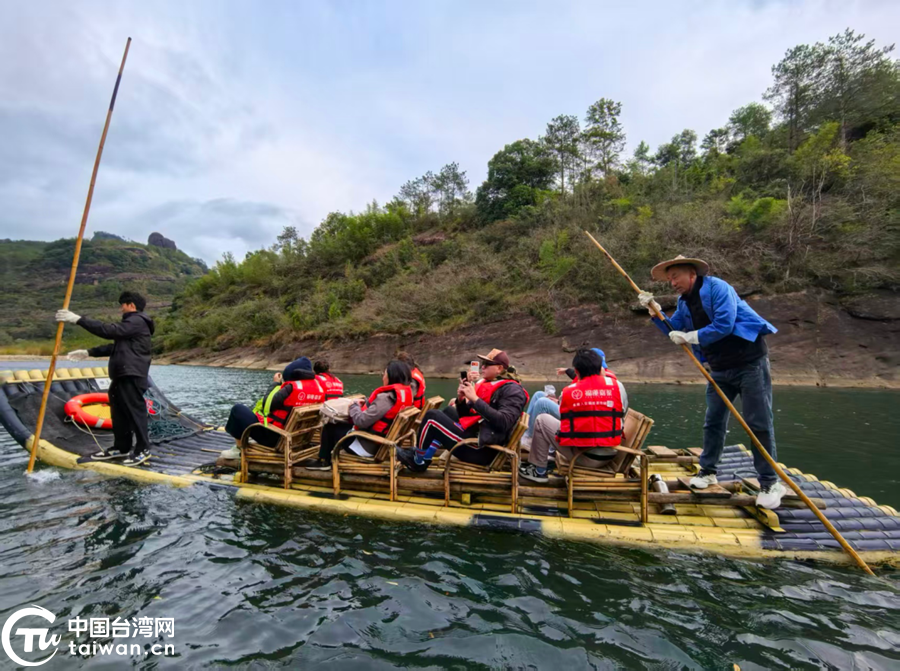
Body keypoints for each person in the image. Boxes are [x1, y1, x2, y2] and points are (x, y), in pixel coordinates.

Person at [638, 254, 784, 509]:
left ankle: (770, 483)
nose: (672, 283)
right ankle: (707, 472)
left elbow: (725, 324)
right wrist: (655, 312)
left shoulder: (719, 288)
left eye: (675, 277)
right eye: (669, 279)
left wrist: (690, 336)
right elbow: (674, 330)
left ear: (692, 274)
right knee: (713, 421)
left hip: (749, 363)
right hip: (719, 368)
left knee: (758, 422)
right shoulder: (684, 302)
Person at [57, 291, 155, 466]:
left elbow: (109, 331)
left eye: (122, 305)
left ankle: (143, 450)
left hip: (131, 374)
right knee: (119, 413)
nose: (121, 309)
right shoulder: (132, 327)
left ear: (131, 305)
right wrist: (89, 352)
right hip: (121, 375)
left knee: (135, 411)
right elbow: (115, 346)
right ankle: (121, 447)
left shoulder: (137, 320)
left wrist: (79, 319)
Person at [398, 348, 528, 472]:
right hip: (479, 435)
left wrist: (475, 399)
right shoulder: (493, 385)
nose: (482, 367)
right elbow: (467, 416)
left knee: (432, 417)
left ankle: (418, 462)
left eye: (487, 364)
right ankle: (426, 457)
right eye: (482, 364)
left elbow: (504, 422)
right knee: (449, 411)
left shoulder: (513, 391)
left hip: (481, 449)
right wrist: (461, 399)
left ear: (499, 368)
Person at [519, 349, 628, 483]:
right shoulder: (618, 386)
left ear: (576, 371)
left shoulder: (570, 392)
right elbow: (621, 412)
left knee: (541, 420)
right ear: (601, 368)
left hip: (583, 456)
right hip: (610, 453)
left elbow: (565, 424)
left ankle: (539, 471)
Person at [305, 360, 414, 470]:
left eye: (384, 374)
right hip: (383, 444)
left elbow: (361, 421)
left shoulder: (385, 399)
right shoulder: (401, 396)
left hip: (367, 447)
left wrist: (354, 405)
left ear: (392, 376)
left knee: (330, 426)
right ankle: (329, 459)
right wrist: (367, 402)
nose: (383, 377)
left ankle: (324, 461)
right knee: (341, 426)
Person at [221, 357, 325, 459]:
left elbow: (267, 405)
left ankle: (239, 449)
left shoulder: (291, 387)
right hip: (297, 439)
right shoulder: (319, 389)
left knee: (237, 409)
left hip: (275, 438)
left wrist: (275, 383)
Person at [523, 347, 612, 449]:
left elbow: (579, 408)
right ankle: (525, 432)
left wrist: (559, 402)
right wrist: (559, 401)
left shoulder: (590, 385)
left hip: (581, 433)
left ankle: (530, 439)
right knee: (539, 395)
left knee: (542, 403)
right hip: (583, 422)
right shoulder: (611, 385)